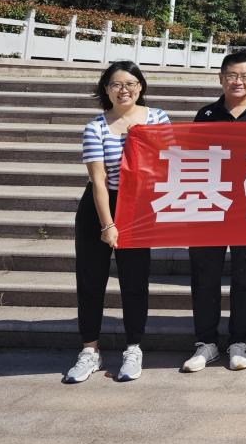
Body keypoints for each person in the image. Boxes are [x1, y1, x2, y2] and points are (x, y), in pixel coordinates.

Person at [64, 62, 170, 384]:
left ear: (141, 86)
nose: (124, 90)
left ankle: (133, 348)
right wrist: (107, 225)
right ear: (106, 89)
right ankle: (89, 350)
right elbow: (98, 181)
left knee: (135, 280)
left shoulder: (157, 118)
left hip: (137, 206)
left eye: (130, 83)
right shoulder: (95, 127)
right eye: (116, 84)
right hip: (101, 207)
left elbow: (167, 161)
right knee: (91, 280)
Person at [183, 51, 246, 374]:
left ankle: (239, 341)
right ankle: (206, 342)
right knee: (205, 276)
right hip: (209, 205)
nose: (238, 81)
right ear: (221, 78)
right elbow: (191, 158)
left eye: (244, 76)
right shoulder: (206, 114)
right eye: (232, 76)